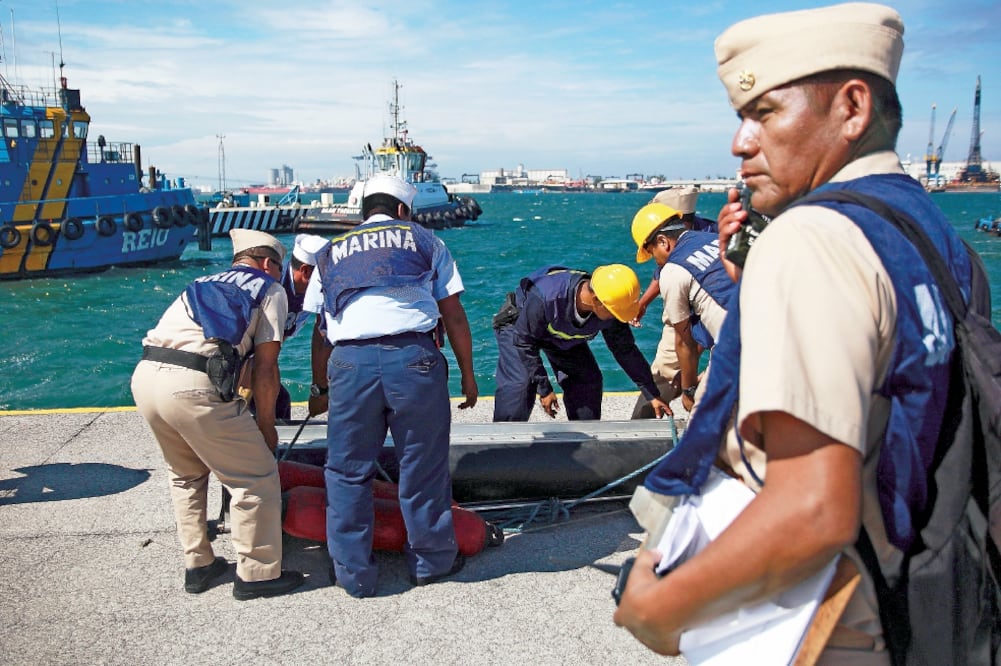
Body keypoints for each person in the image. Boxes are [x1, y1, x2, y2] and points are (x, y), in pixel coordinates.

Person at [614, 4, 977, 663]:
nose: (740, 142)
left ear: (851, 107)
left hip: (817, 619)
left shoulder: (811, 237)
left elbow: (811, 510)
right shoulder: (930, 232)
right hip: (909, 585)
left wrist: (657, 609)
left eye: (764, 112)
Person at [307, 174, 478, 598]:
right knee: (423, 466)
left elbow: (320, 331)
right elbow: (453, 315)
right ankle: (431, 562)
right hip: (413, 360)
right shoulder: (426, 241)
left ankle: (352, 574)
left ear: (364, 209)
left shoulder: (329, 253)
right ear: (402, 210)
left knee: (347, 471)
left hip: (350, 364)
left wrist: (320, 387)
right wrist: (468, 375)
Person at [131, 228, 304, 600]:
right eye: (279, 267)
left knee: (186, 474)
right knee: (255, 476)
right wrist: (266, 427)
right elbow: (265, 368)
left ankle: (199, 564)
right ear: (267, 264)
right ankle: (256, 574)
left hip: (146, 377)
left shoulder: (201, 282)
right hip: (193, 385)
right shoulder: (269, 289)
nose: (280, 274)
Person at [492, 264, 671, 422]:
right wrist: (544, 388)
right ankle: (502, 442)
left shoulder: (611, 305)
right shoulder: (547, 298)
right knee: (521, 385)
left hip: (560, 333)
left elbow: (625, 350)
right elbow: (524, 343)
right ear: (596, 301)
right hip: (520, 329)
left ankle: (585, 439)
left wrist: (651, 393)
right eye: (615, 312)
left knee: (587, 381)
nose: (617, 317)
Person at [631, 202, 735, 414]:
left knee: (703, 415)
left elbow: (684, 341)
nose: (656, 262)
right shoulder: (717, 240)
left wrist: (689, 390)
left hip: (742, 344)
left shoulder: (672, 271)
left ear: (663, 241)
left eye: (651, 253)